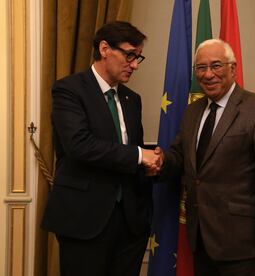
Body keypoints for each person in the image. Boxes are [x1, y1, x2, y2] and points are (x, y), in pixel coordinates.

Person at [157, 38, 255, 276]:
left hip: (244, 243)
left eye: (216, 66)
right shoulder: (193, 111)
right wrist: (159, 160)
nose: (208, 74)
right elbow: (180, 156)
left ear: (233, 68)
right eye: (201, 68)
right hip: (202, 239)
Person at [41, 21, 161, 276]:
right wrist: (140, 156)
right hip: (84, 219)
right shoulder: (69, 90)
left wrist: (151, 163)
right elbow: (80, 145)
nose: (135, 65)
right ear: (105, 48)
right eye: (130, 55)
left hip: (130, 223)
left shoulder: (132, 99)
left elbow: (130, 150)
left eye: (138, 57)